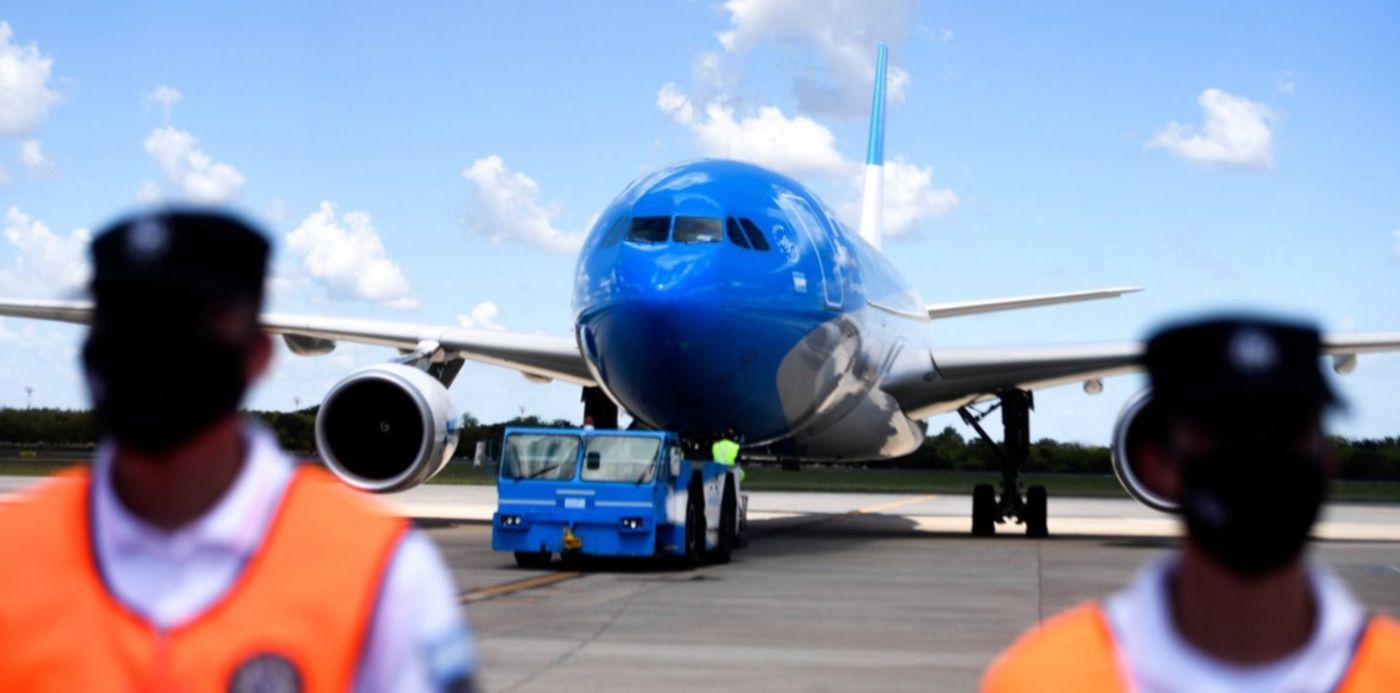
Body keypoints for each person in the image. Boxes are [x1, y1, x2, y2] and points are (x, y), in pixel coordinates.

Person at [0, 210, 475, 692]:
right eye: (124, 325)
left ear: (258, 354)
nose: (150, 351)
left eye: (183, 329)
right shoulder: (10, 556)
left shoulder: (382, 572)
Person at [982, 316, 1400, 692]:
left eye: (1284, 430)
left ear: (1329, 460)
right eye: (1223, 430)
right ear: (1156, 462)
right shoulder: (1037, 680)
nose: (1254, 458)